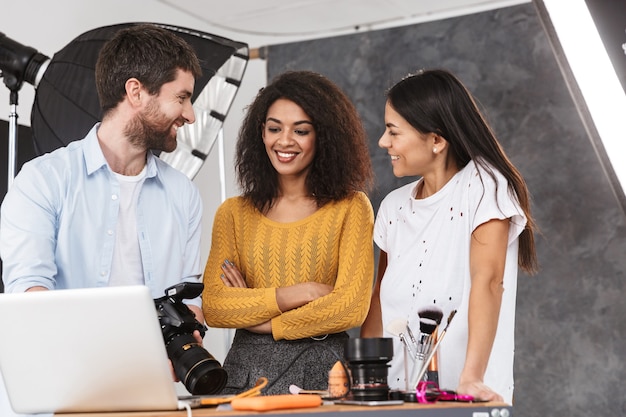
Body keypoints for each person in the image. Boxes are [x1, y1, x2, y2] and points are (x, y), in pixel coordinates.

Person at [0, 24, 204, 367]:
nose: (190, 115)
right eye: (181, 98)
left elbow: (189, 296)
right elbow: (28, 296)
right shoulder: (42, 181)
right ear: (136, 92)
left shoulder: (183, 194)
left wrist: (189, 331)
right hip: (61, 385)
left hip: (149, 386)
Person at [360, 68, 538, 404]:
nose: (383, 142)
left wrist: (471, 378)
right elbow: (379, 298)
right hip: (396, 399)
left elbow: (489, 281)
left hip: (462, 396)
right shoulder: (394, 208)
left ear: (437, 140)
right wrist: (367, 378)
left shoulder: (485, 186)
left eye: (393, 131)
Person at [202, 70, 375, 395]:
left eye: (301, 130)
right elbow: (215, 306)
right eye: (274, 128)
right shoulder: (233, 214)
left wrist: (262, 321)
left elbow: (350, 306)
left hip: (323, 370)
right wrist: (301, 292)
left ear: (323, 136)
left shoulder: (351, 207)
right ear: (261, 133)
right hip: (245, 374)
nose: (284, 141)